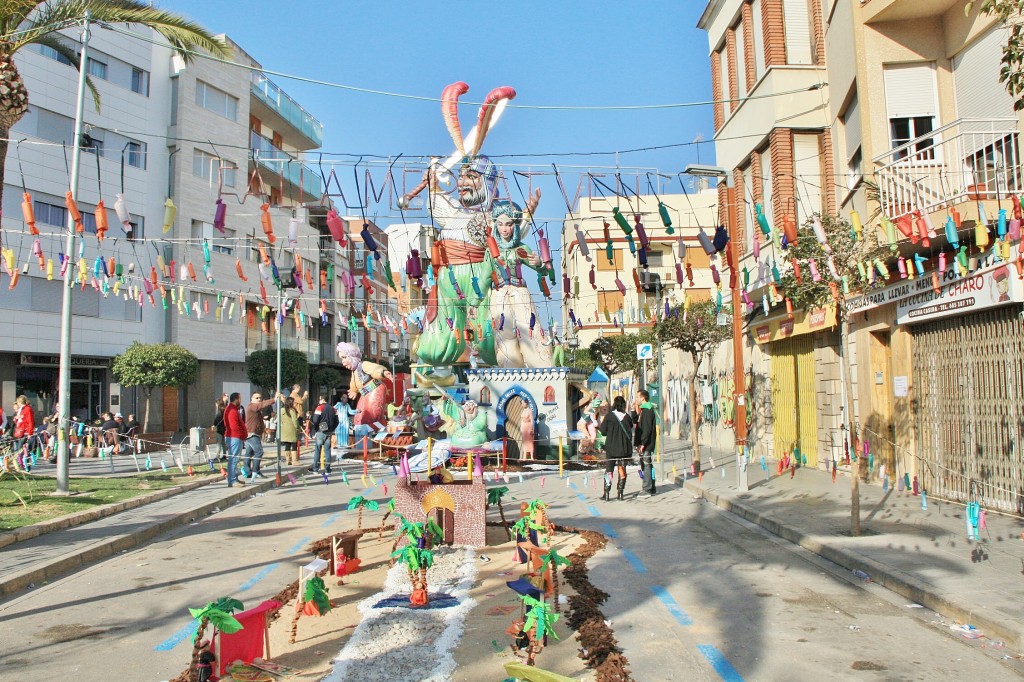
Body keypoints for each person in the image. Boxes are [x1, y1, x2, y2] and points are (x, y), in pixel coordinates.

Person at [489, 200, 552, 368]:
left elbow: (543, 270)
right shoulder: (490, 251)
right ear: (495, 225)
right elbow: (484, 276)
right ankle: (509, 369)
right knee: (503, 334)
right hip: (498, 295)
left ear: (515, 225)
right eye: (500, 224)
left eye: (509, 224)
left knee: (530, 328)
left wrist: (539, 263)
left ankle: (542, 366)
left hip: (519, 292)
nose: (504, 229)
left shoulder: (520, 249)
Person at [336, 342, 393, 430]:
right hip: (366, 392)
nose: (342, 362)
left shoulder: (364, 364)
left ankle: (374, 430)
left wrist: (383, 372)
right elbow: (354, 382)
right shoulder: (354, 371)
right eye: (341, 358)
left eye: (344, 357)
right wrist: (354, 390)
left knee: (369, 415)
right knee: (359, 416)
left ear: (352, 356)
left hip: (375, 389)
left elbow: (375, 369)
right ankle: (372, 429)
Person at [598, 396, 634, 501]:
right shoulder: (627, 417)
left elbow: (603, 431)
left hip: (611, 448)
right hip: (623, 449)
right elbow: (630, 430)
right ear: (623, 405)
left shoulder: (609, 416)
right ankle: (620, 493)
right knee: (622, 470)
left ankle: (606, 493)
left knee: (609, 470)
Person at [243, 391, 278, 478]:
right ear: (251, 399)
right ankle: (256, 471)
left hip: (254, 433)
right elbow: (262, 404)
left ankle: (247, 471)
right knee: (259, 452)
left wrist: (264, 429)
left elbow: (259, 421)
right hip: (252, 434)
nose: (258, 399)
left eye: (260, 398)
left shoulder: (257, 410)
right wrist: (274, 399)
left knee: (249, 453)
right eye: (256, 398)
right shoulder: (252, 406)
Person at [632, 390, 657, 496]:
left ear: (643, 398)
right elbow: (636, 421)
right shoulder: (643, 410)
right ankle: (651, 487)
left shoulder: (647, 410)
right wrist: (633, 410)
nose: (636, 399)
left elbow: (646, 429)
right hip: (644, 443)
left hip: (646, 443)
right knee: (646, 464)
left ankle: (647, 489)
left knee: (646, 465)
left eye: (638, 397)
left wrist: (642, 443)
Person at [308, 396, 339, 473]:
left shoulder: (319, 408)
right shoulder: (333, 409)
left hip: (320, 431)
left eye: (319, 399)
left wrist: (316, 429)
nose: (319, 401)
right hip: (329, 432)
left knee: (318, 450)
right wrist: (332, 429)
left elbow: (315, 420)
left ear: (322, 399)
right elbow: (337, 421)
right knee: (327, 451)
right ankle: (327, 469)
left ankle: (315, 469)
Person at [222, 393, 247, 487]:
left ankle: (234, 478)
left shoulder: (233, 409)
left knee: (235, 460)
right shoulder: (232, 410)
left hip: (235, 437)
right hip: (234, 437)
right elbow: (234, 427)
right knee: (233, 460)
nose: (240, 401)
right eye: (240, 399)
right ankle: (232, 480)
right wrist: (242, 435)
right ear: (236, 399)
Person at [278, 396, 300, 466]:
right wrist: (298, 427)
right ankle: (294, 460)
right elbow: (295, 420)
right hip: (292, 429)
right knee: (294, 445)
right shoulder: (292, 410)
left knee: (287, 445)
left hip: (284, 429)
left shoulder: (281, 410)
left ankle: (288, 460)